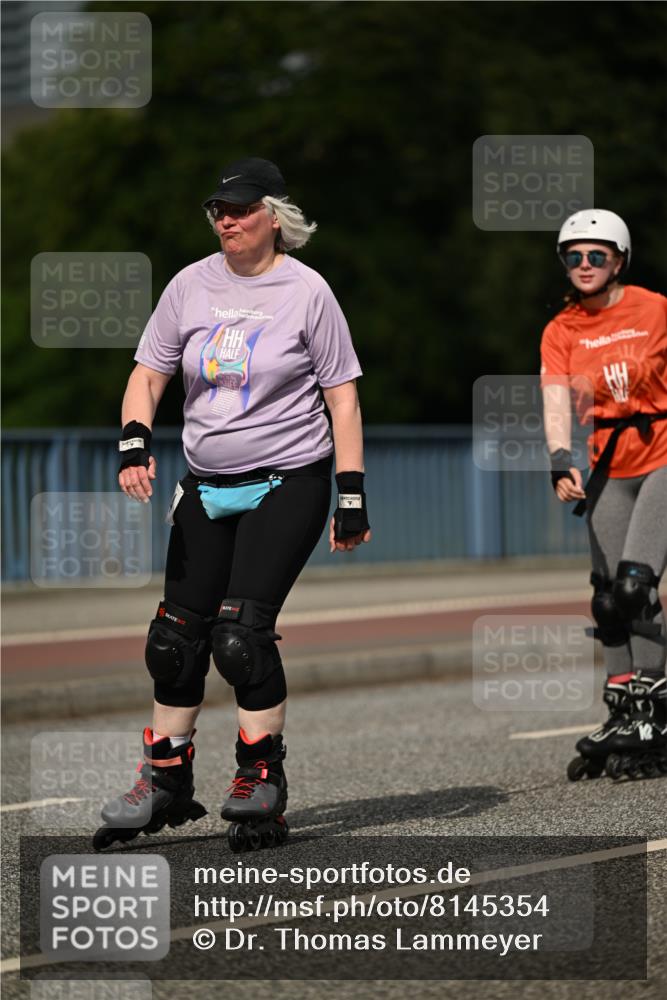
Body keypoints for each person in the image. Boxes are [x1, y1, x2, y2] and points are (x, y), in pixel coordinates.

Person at [94, 157, 370, 852]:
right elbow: (147, 373)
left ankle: (260, 780)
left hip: (288, 480)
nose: (227, 219)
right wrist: (134, 445)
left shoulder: (307, 291)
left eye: (241, 209)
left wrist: (350, 491)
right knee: (173, 642)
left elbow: (341, 395)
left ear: (273, 216)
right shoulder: (190, 284)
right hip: (204, 483)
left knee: (239, 637)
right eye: (218, 208)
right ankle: (165, 780)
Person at [540, 208, 667, 781]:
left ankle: (656, 709)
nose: (585, 265)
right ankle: (625, 706)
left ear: (619, 260)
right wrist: (560, 459)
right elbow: (555, 401)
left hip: (664, 452)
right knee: (610, 598)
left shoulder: (655, 308)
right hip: (609, 465)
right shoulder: (562, 329)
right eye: (574, 256)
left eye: (598, 255)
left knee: (638, 584)